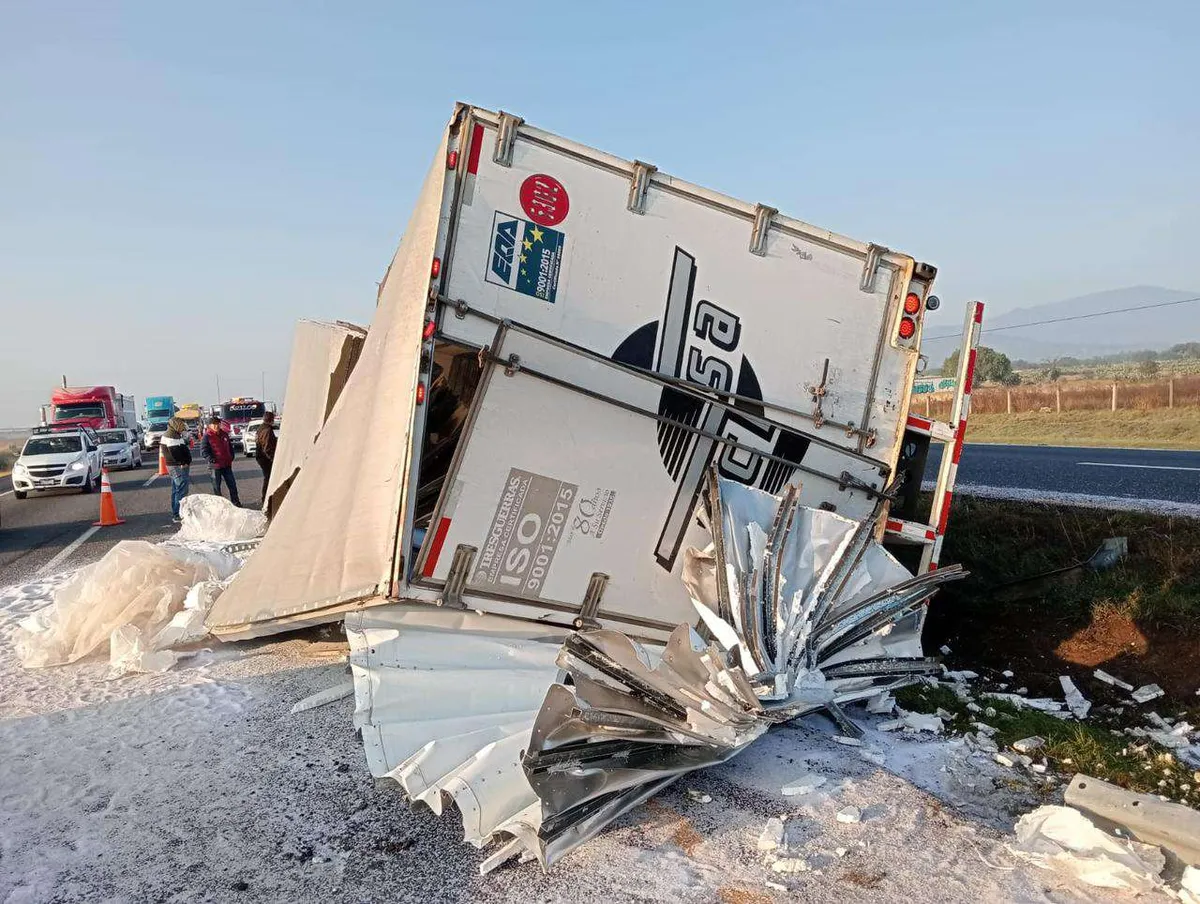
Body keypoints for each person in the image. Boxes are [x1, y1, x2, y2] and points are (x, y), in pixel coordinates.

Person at [201, 415, 241, 506]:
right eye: (214, 424)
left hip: (227, 464)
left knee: (232, 484)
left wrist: (231, 456)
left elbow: (230, 447)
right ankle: (219, 505)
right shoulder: (207, 436)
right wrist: (212, 459)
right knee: (217, 487)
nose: (216, 426)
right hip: (215, 466)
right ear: (209, 426)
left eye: (218, 424)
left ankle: (236, 502)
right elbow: (204, 451)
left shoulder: (224, 434)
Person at [160, 417, 192, 523]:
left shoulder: (174, 434)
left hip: (176, 465)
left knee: (176, 489)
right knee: (181, 489)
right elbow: (175, 452)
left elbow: (182, 447)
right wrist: (183, 462)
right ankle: (177, 513)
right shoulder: (171, 436)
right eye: (181, 424)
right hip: (177, 466)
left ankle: (176, 512)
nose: (183, 426)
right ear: (176, 425)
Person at [254, 411, 277, 491]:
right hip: (265, 457)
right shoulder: (267, 430)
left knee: (268, 477)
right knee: (269, 477)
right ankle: (265, 496)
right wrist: (272, 458)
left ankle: (267, 495)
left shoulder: (261, 428)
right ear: (271, 419)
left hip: (261, 456)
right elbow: (267, 447)